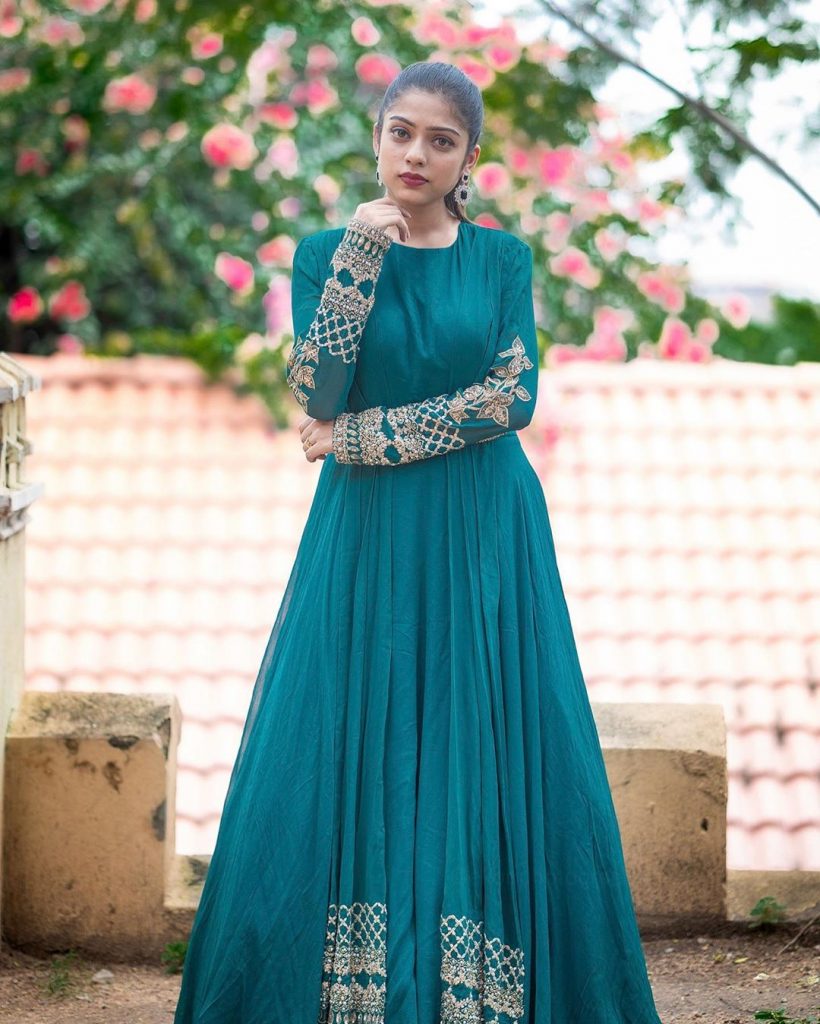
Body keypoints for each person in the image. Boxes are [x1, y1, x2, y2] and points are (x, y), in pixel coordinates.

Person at [173, 60, 664, 1024]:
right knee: (357, 732)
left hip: (484, 533)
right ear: (378, 137)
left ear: (468, 158)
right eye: (402, 132)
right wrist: (362, 256)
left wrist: (359, 438)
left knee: (477, 743)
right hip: (366, 539)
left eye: (442, 140)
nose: (417, 154)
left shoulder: (501, 260)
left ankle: (475, 991)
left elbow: (509, 399)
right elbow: (314, 388)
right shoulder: (328, 252)